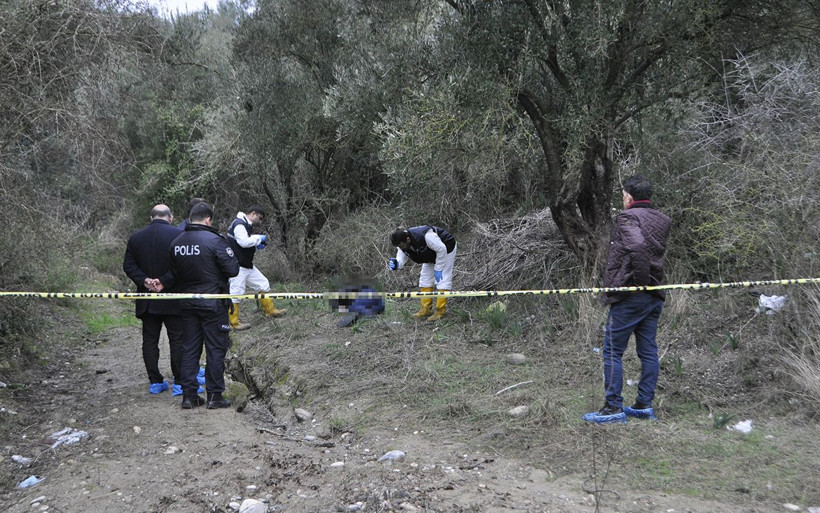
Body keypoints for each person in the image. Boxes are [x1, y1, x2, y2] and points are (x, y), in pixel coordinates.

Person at [583, 175, 671, 424]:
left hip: (632, 294)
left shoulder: (628, 217)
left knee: (611, 350)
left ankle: (613, 408)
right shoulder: (662, 219)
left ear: (629, 197)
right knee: (648, 351)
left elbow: (638, 248)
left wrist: (640, 281)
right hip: (654, 296)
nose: (622, 200)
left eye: (623, 196)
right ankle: (643, 405)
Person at [169, 202, 239, 409]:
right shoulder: (216, 241)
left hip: (187, 304)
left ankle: (189, 396)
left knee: (189, 349)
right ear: (208, 220)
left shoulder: (177, 242)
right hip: (213, 304)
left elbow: (174, 273)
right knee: (215, 349)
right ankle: (214, 395)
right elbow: (233, 269)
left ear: (190, 219)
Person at [123, 204, 185, 396]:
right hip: (172, 297)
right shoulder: (179, 236)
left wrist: (145, 280)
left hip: (147, 297)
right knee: (177, 340)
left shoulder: (136, 238)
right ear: (171, 217)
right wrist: (164, 282)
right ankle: (180, 382)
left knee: (150, 340)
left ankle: (155, 382)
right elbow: (183, 266)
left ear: (151, 218)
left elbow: (128, 266)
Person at [226, 205, 286, 330]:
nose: (260, 221)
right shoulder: (239, 224)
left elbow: (245, 243)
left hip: (246, 265)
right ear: (253, 214)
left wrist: (257, 243)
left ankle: (270, 311)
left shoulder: (245, 225)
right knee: (236, 293)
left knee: (263, 284)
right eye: (260, 218)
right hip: (237, 266)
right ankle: (233, 322)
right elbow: (243, 242)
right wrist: (258, 238)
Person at [389, 226, 457, 322]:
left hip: (446, 247)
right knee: (425, 279)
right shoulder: (402, 242)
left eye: (401, 246)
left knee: (442, 279)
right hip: (429, 253)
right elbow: (401, 257)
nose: (401, 248)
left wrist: (439, 269)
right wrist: (397, 264)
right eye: (399, 247)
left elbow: (441, 249)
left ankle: (441, 311)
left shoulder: (426, 236)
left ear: (408, 239)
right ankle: (426, 309)